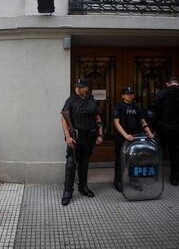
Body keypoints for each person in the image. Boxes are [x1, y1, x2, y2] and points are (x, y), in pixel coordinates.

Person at [61, 78, 103, 206]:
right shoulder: (71, 100)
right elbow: (64, 119)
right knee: (70, 164)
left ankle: (83, 187)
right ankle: (68, 191)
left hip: (89, 137)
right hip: (75, 137)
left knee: (84, 162)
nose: (77, 89)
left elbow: (97, 117)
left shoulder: (92, 101)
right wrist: (67, 136)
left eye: (80, 87)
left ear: (86, 88)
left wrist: (100, 134)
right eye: (76, 86)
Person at [151, 76, 179, 186]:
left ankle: (156, 176)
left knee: (158, 152)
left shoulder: (162, 93)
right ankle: (175, 178)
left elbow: (153, 109)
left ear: (167, 84)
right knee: (175, 153)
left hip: (163, 127)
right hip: (178, 128)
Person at [113, 86, 154, 192]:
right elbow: (116, 123)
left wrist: (148, 131)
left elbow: (142, 121)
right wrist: (125, 135)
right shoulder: (119, 107)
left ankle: (134, 180)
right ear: (123, 96)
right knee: (120, 160)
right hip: (122, 137)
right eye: (127, 94)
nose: (129, 95)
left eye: (131, 94)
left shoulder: (137, 107)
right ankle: (118, 181)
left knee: (134, 160)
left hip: (135, 137)